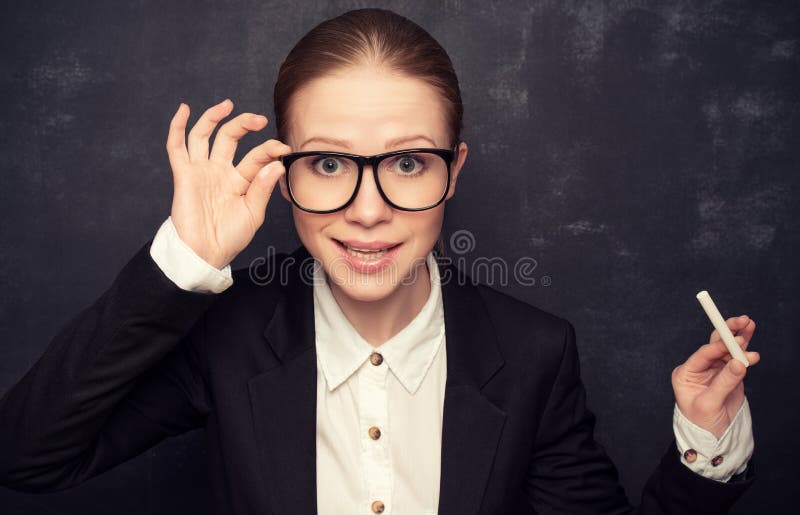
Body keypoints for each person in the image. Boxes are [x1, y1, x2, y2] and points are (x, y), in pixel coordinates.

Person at [0, 7, 759, 514]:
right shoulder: (227, 333)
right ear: (283, 174)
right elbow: (26, 455)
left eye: (406, 163)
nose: (368, 210)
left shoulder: (535, 352)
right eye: (328, 164)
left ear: (454, 170)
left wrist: (703, 446)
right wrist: (181, 263)